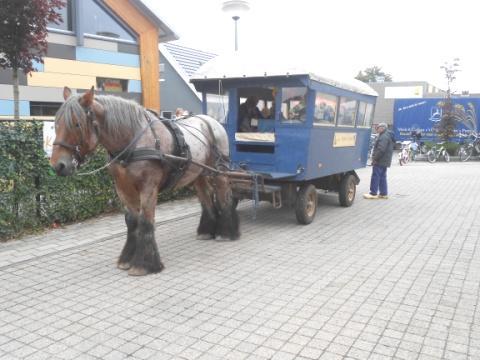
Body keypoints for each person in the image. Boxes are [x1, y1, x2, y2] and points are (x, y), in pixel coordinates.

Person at [363, 123, 395, 199]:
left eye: (378, 128)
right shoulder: (387, 135)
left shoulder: (384, 136)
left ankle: (373, 193)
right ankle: (383, 193)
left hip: (380, 160)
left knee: (375, 176)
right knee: (382, 177)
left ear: (383, 128)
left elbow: (381, 149)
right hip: (385, 160)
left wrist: (375, 159)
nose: (377, 129)